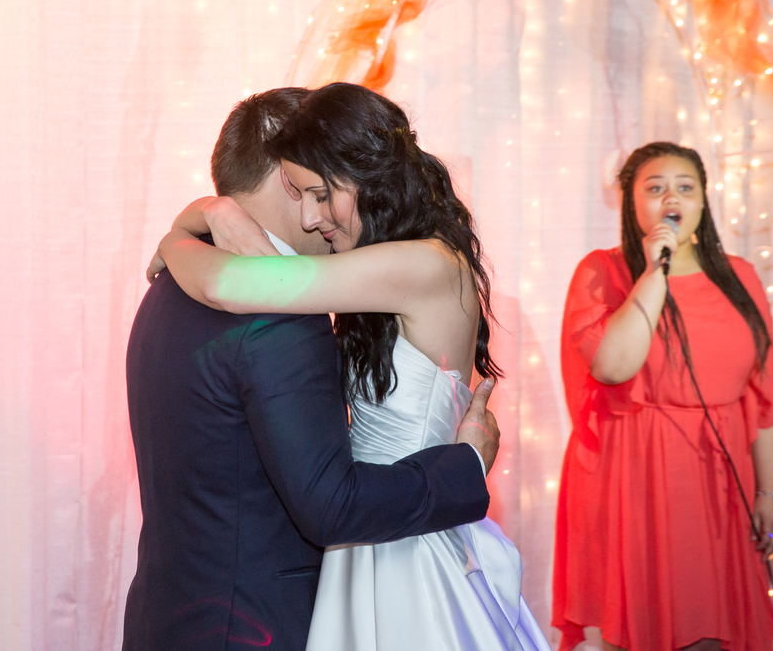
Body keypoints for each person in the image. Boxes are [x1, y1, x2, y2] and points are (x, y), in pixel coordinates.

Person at [151, 82, 552, 651]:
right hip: (373, 537)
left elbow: (224, 283)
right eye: (302, 195)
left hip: (407, 550)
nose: (312, 217)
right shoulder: (377, 265)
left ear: (364, 173)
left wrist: (179, 236)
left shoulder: (422, 265)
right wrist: (203, 215)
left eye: (320, 192)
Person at [551, 142, 773, 651]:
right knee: (634, 630)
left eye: (685, 187)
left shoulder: (741, 276)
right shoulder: (603, 272)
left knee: (711, 632)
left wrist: (772, 492)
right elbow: (615, 365)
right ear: (631, 203)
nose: (670, 197)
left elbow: (767, 395)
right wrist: (655, 267)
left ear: (703, 200)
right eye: (654, 188)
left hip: (721, 477)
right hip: (634, 474)